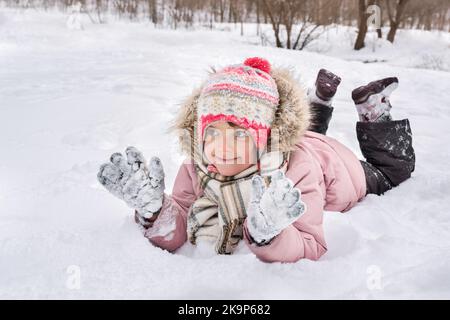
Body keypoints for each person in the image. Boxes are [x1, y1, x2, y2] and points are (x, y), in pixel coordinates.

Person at [97, 57, 415, 263]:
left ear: (263, 136)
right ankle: (319, 100)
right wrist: (156, 212)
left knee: (393, 169)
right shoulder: (196, 167)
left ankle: (374, 108)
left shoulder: (296, 169)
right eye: (212, 132)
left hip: (337, 167)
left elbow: (311, 244)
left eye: (238, 134)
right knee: (309, 130)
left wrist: (273, 235)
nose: (221, 147)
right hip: (297, 143)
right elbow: (180, 217)